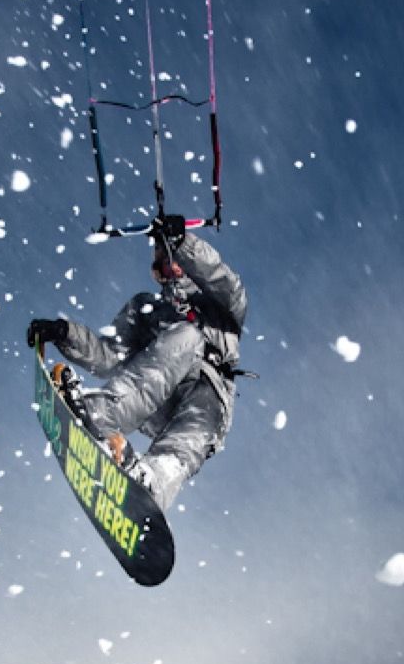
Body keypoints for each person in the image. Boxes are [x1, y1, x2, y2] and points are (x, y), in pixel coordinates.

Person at [26, 215, 248, 511]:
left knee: (189, 439)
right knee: (179, 340)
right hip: (154, 396)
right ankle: (98, 418)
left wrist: (183, 243)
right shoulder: (148, 309)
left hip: (209, 394)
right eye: (162, 267)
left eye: (175, 262)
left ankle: (150, 485)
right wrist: (65, 333)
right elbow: (109, 357)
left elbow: (222, 279)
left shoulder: (220, 304)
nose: (171, 271)